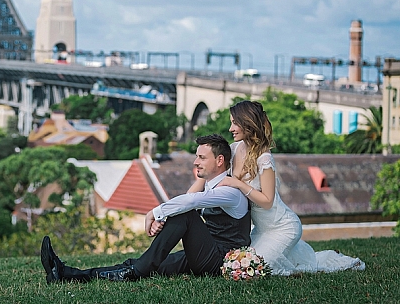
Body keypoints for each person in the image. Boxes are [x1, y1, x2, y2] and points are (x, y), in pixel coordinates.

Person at [40, 134, 251, 283]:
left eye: (202, 158)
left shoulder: (230, 192)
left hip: (219, 261)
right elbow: (190, 198)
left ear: (220, 160)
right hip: (204, 253)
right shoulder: (212, 186)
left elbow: (190, 203)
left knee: (181, 220)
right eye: (196, 156)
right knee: (144, 265)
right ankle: (66, 274)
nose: (195, 162)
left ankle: (139, 269)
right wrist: (166, 214)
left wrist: (154, 213)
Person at [208, 100, 364, 275]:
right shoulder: (234, 149)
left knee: (254, 268)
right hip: (261, 230)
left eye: (235, 123)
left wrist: (238, 183)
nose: (231, 128)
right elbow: (213, 171)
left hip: (283, 227)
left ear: (247, 123)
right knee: (243, 261)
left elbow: (267, 201)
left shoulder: (264, 158)